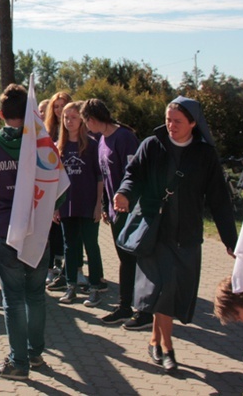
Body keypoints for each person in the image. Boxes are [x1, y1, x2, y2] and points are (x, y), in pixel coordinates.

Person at [113, 96, 237, 373]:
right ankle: (167, 348)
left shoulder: (205, 155)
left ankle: (155, 340)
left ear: (194, 123)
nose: (171, 125)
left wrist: (230, 240)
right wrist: (124, 193)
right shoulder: (152, 145)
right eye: (168, 119)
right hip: (155, 232)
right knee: (165, 288)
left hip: (187, 235)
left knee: (169, 292)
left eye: (178, 121)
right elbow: (134, 175)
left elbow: (219, 200)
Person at [0, 83, 48, 381]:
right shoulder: (44, 145)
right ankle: (35, 353)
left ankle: (18, 362)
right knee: (36, 294)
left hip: (5, 227)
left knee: (13, 297)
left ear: (1, 113)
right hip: (38, 228)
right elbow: (59, 189)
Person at [80, 98, 153, 329]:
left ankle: (142, 310)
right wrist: (104, 205)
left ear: (91, 119)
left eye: (85, 122)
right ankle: (124, 307)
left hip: (131, 210)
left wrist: (129, 203)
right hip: (114, 212)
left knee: (134, 260)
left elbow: (138, 173)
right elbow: (104, 175)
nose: (86, 128)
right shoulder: (101, 140)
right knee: (125, 259)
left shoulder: (125, 138)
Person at [53, 101, 104, 307]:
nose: (69, 121)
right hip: (67, 205)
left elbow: (100, 177)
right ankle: (71, 285)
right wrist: (56, 206)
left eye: (74, 117)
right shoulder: (59, 147)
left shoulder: (92, 145)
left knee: (91, 245)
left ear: (82, 120)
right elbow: (54, 180)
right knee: (69, 246)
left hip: (88, 204)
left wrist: (99, 204)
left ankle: (95, 287)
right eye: (66, 117)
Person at [44, 91, 72, 288]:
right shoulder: (47, 132)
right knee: (49, 231)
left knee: (68, 234)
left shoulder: (76, 132)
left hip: (72, 187)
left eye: (63, 105)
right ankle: (49, 268)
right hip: (49, 187)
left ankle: (69, 271)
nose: (59, 110)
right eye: (56, 106)